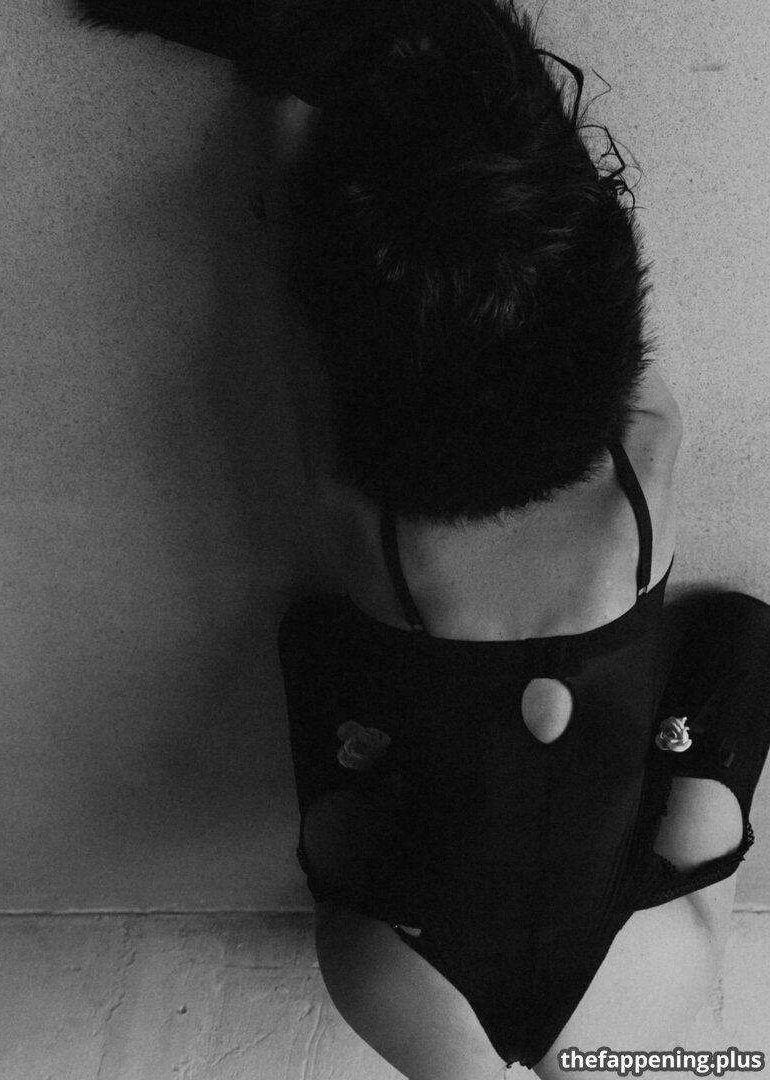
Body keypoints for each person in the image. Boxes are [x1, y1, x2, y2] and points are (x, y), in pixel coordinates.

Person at [79, 3, 770, 1076]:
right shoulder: (644, 460)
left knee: (739, 642)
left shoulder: (371, 515)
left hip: (441, 971)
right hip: (413, 961)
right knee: (326, 646)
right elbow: (592, 278)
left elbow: (299, 283)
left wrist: (292, 81)